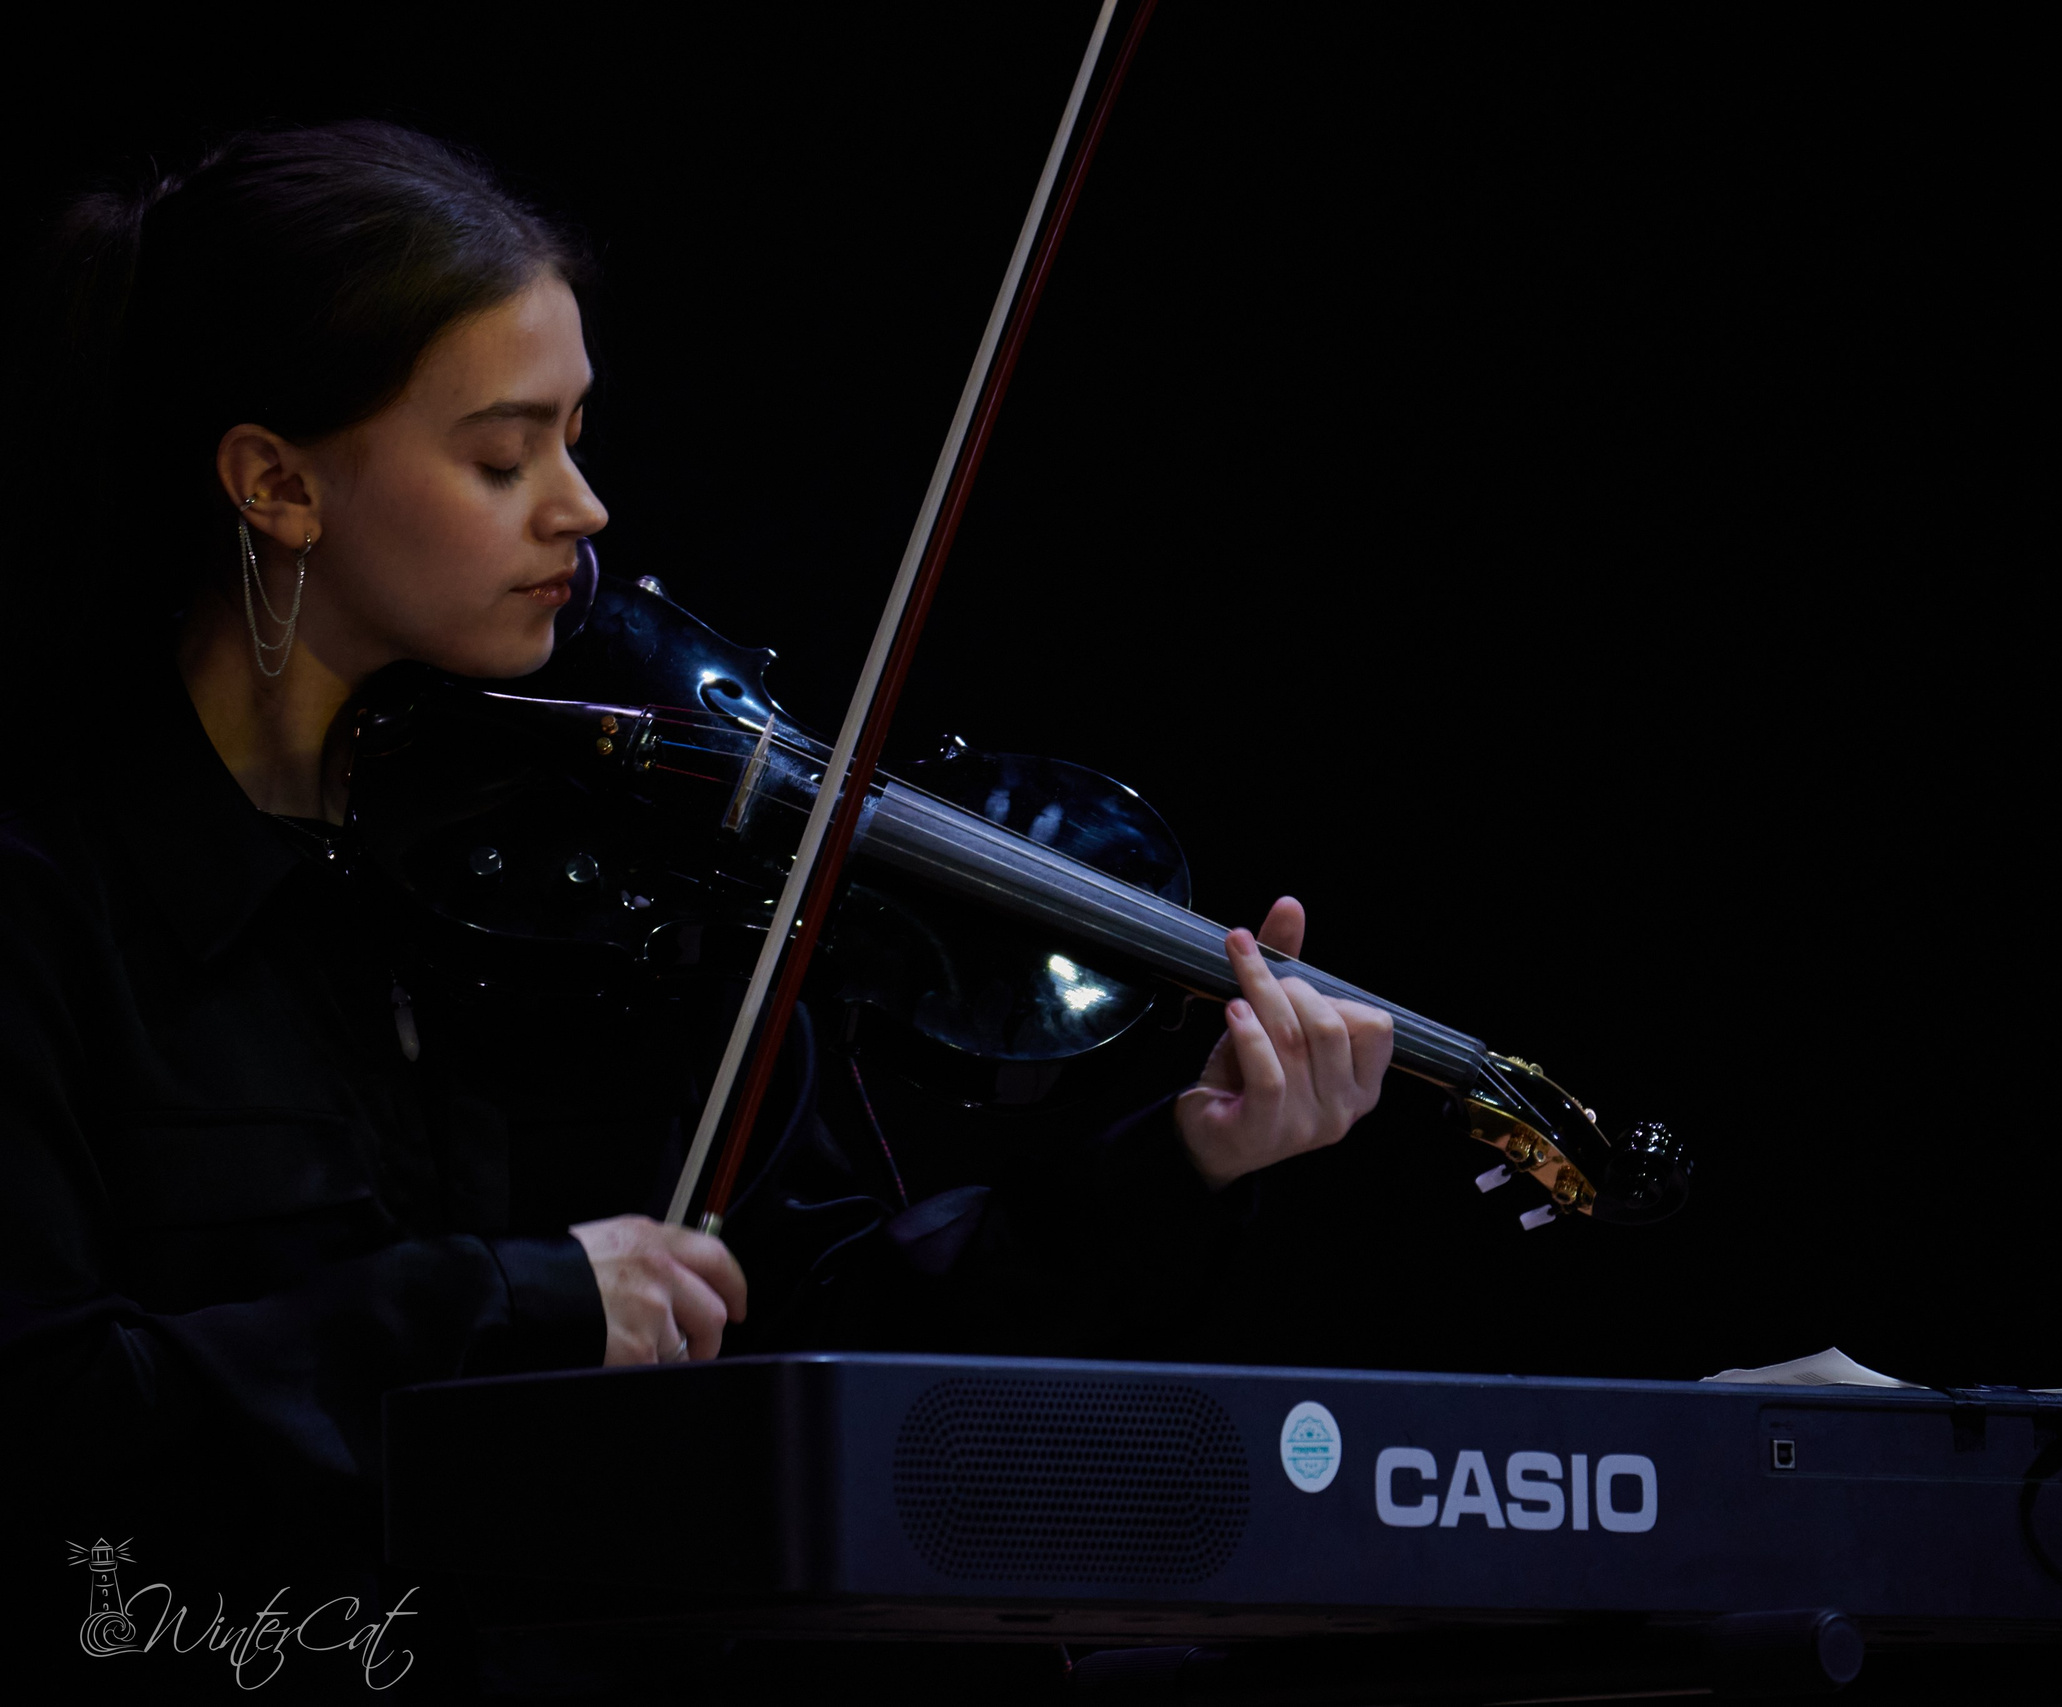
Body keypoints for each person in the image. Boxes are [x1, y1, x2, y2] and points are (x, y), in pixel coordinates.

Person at [0, 120, 1391, 1681]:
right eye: (502, 454)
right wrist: (519, 1302)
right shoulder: (48, 903)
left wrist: (1183, 1165)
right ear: (276, 484)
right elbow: (52, 1421)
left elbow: (822, 1349)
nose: (582, 509)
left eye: (577, 437)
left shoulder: (590, 879)